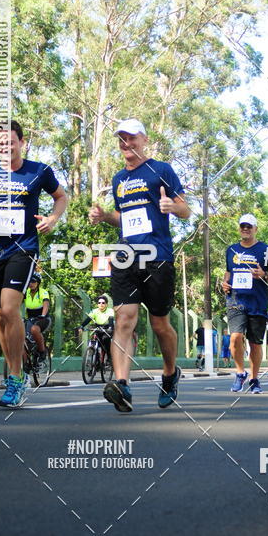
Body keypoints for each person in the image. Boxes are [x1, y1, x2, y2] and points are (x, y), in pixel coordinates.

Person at [0, 120, 67, 408]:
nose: (5, 146)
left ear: (21, 142)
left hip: (24, 249)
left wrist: (53, 218)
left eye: (10, 141)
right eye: (0, 143)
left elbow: (61, 196)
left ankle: (17, 378)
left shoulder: (39, 171)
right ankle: (12, 374)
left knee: (10, 309)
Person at [89, 119, 190, 413]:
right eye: (121, 139)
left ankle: (170, 374)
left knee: (160, 324)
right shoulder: (119, 179)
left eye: (131, 138)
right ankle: (122, 384)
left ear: (143, 139)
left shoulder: (161, 170)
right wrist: (105, 216)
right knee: (123, 320)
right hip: (125, 255)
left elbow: (185, 209)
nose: (126, 144)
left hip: (157, 255)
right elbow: (123, 217)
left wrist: (173, 207)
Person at [223, 214, 268, 394]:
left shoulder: (267, 250)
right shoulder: (231, 250)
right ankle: (240, 373)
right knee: (235, 337)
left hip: (257, 302)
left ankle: (254, 378)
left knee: (255, 344)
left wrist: (263, 274)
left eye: (249, 226)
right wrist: (224, 283)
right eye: (243, 226)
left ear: (255, 229)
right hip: (236, 301)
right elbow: (228, 273)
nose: (245, 229)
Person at [24, 273, 51, 370]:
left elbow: (46, 304)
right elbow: (17, 303)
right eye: (29, 281)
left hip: (43, 319)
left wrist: (43, 315)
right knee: (23, 339)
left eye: (33, 281)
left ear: (38, 283)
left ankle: (42, 352)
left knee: (35, 329)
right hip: (30, 319)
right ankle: (26, 364)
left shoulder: (43, 292)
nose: (31, 283)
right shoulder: (25, 292)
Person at [77, 294, 115, 361]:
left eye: (103, 303)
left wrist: (110, 328)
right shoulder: (94, 311)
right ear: (97, 304)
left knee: (105, 339)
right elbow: (88, 319)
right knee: (95, 344)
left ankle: (109, 357)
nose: (101, 304)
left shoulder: (110, 311)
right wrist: (81, 326)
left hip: (107, 328)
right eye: (99, 303)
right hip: (98, 328)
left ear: (106, 304)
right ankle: (95, 365)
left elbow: (111, 320)